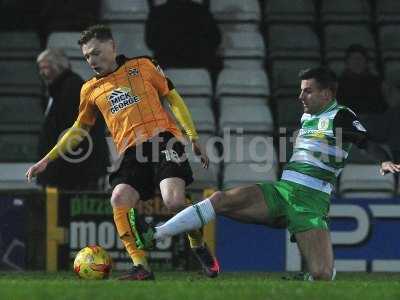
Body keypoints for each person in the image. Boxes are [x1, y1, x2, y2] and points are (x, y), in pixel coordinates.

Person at [137, 67, 400, 281]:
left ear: (327, 93)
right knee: (219, 199)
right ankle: (155, 234)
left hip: (311, 202)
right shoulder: (307, 117)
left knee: (321, 275)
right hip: (283, 191)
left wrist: (385, 160)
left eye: (308, 91)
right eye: (301, 91)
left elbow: (367, 142)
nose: (301, 97)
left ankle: (311, 275)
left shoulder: (340, 116)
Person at [26, 25, 219, 280]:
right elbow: (79, 129)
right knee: (119, 198)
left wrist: (193, 137)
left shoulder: (144, 66)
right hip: (130, 152)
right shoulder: (90, 90)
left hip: (163, 141)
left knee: (173, 202)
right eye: (86, 57)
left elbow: (173, 98)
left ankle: (197, 244)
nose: (92, 61)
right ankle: (141, 266)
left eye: (96, 53)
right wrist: (46, 160)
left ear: (113, 46)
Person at [36, 48, 109, 190]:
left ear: (59, 66)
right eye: (40, 68)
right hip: (68, 171)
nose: (42, 73)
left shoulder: (71, 89)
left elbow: (74, 133)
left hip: (72, 175)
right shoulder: (59, 90)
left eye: (46, 67)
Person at [145, 0, 221, 71]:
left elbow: (150, 43)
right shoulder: (201, 11)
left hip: (166, 65)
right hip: (200, 63)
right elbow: (216, 40)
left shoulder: (157, 12)